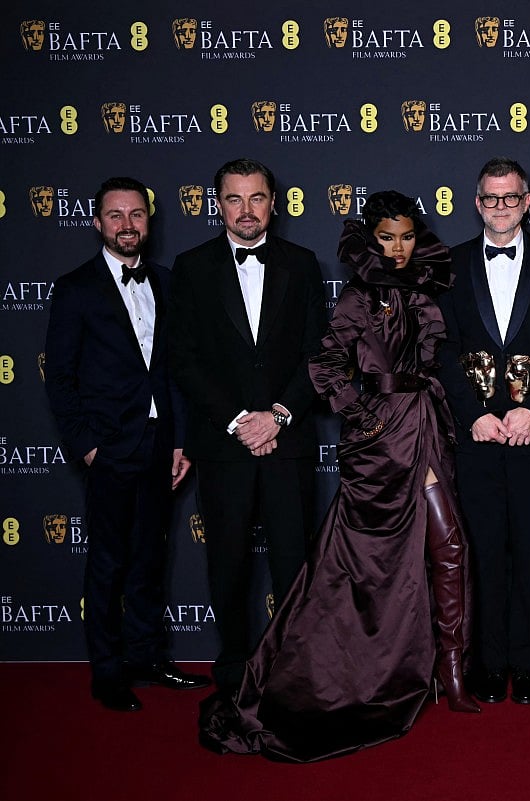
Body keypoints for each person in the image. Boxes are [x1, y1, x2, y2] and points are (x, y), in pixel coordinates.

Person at [198, 192, 477, 761]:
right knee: (371, 567)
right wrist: (364, 412)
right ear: (370, 240)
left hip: (424, 426)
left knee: (448, 547)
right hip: (379, 444)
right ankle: (363, 673)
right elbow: (323, 364)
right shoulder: (355, 297)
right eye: (386, 238)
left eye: (405, 236)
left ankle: (450, 670)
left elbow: (433, 362)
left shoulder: (426, 289)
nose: (397, 248)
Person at [44, 176, 210, 712]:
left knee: (149, 557)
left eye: (136, 214)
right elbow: (60, 378)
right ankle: (108, 671)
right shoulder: (75, 288)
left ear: (149, 219)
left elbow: (177, 373)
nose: (127, 225)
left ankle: (147, 658)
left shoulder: (165, 282)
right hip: (110, 446)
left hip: (161, 442)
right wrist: (86, 446)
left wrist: (182, 441)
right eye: (115, 215)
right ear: (97, 223)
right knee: (108, 562)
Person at [169, 158, 325, 695]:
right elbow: (184, 360)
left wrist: (278, 415)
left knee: (292, 563)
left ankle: (293, 670)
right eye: (234, 199)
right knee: (228, 565)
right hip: (224, 444)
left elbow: (319, 354)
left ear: (273, 204)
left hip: (288, 441)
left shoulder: (303, 264)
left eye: (256, 198)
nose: (246, 210)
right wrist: (238, 420)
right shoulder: (191, 268)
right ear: (218, 205)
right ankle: (233, 670)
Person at [436, 157, 530, 705]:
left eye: (511, 198)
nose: (501, 208)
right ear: (477, 204)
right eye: (491, 199)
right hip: (476, 437)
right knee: (485, 554)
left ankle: (525, 665)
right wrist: (474, 412)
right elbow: (443, 350)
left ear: (527, 202)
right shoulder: (448, 265)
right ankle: (489, 664)